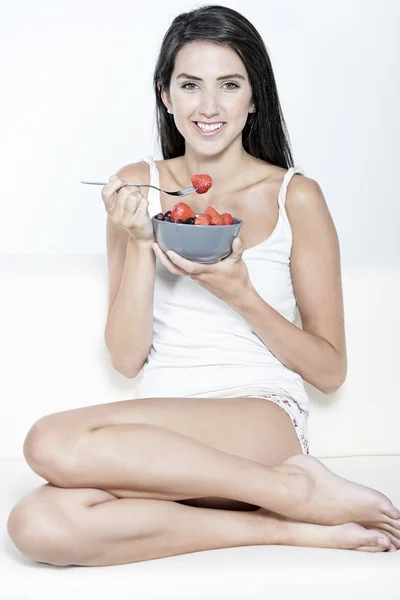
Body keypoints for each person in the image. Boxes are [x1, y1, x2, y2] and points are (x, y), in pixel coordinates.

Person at [7, 5, 400, 566]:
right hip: (163, 441)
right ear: (166, 96)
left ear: (254, 97)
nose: (209, 107)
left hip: (259, 422)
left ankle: (291, 485)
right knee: (37, 524)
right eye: (190, 85)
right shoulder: (137, 186)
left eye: (229, 85)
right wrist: (141, 242)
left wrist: (239, 291)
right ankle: (290, 521)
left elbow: (330, 371)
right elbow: (125, 358)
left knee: (47, 441)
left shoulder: (297, 197)